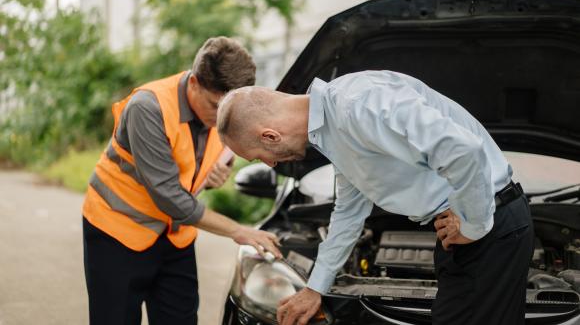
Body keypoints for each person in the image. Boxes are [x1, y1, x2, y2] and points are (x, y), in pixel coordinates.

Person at [216, 70, 534, 325]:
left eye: (260, 157)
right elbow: (349, 212)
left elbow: (464, 150)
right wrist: (315, 288)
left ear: (270, 135)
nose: (271, 164)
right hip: (461, 235)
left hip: (490, 231)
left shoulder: (360, 102)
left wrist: (472, 224)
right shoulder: (333, 130)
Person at [82, 36, 281, 325]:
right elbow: (168, 195)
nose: (222, 116)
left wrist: (211, 179)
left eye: (229, 107)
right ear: (194, 83)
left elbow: (188, 172)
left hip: (174, 236)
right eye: (215, 105)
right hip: (117, 232)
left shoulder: (225, 113)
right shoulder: (147, 108)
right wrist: (238, 230)